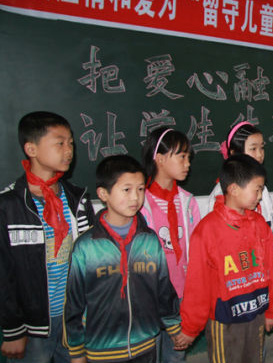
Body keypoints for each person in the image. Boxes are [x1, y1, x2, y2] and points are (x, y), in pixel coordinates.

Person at [64, 155, 184, 363]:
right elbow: (74, 304)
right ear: (103, 194)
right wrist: (76, 352)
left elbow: (164, 289)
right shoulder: (86, 246)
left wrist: (173, 326)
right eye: (126, 190)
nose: (135, 197)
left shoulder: (149, 240)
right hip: (101, 350)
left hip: (146, 344)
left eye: (140, 189)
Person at [0, 111, 95, 363]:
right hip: (34, 324)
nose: (69, 150)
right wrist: (13, 331)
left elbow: (90, 258)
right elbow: (4, 274)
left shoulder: (77, 199)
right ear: (31, 148)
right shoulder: (10, 205)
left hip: (73, 315)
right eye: (60, 143)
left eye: (71, 143)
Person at [179, 154, 273, 363]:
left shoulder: (260, 224)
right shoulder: (208, 230)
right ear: (234, 189)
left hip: (256, 315)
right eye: (257, 189)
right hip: (224, 321)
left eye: (261, 189)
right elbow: (198, 284)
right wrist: (191, 327)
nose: (261, 196)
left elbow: (272, 268)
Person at [140, 127, 201, 363]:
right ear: (160, 158)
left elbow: (195, 254)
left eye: (188, 158)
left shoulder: (187, 202)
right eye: (182, 156)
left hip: (182, 296)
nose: (187, 164)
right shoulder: (140, 201)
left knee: (176, 356)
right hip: (150, 297)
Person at [207, 121, 273, 225]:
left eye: (262, 148)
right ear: (234, 153)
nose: (259, 154)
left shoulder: (262, 189)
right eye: (253, 149)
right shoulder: (222, 192)